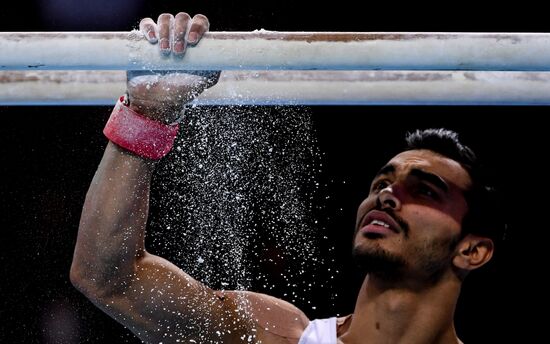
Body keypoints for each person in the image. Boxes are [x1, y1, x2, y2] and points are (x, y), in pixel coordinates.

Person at [70, 12, 502, 344]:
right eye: (381, 183)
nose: (389, 195)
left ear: (474, 249)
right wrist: (145, 118)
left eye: (425, 190)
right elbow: (110, 279)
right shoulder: (274, 335)